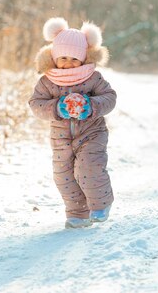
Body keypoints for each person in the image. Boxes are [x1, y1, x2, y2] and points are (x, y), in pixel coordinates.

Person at [29, 17, 117, 229]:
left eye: (75, 59)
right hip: (61, 138)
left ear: (84, 58)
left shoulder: (92, 78)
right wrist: (57, 108)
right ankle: (78, 213)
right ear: (54, 57)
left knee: (88, 167)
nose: (68, 63)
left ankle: (100, 205)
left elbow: (109, 98)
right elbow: (36, 104)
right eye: (63, 58)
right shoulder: (47, 81)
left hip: (92, 132)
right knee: (63, 175)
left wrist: (90, 106)